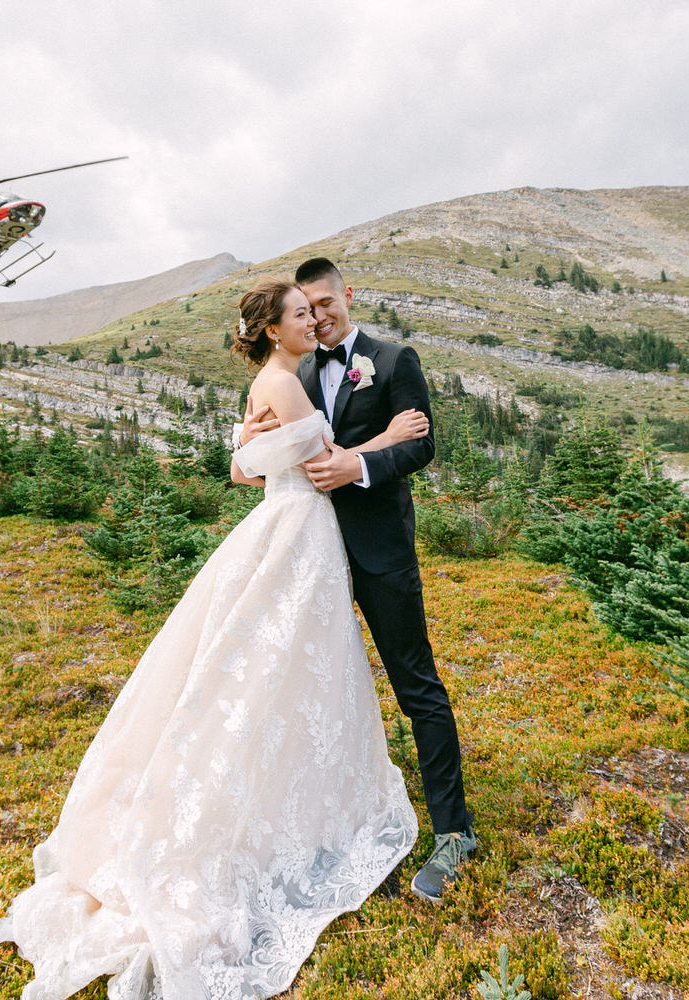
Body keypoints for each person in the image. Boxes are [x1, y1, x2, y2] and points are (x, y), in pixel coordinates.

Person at [0, 279, 431, 1000]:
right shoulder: (285, 387)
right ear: (272, 330)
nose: (310, 323)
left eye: (312, 313)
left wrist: (260, 445)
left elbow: (244, 466)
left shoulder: (271, 385)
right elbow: (323, 470)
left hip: (287, 529)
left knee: (281, 671)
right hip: (299, 532)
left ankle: (296, 796)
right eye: (298, 316)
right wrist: (390, 436)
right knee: (283, 671)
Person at [238, 257, 475, 903]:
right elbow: (261, 461)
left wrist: (364, 466)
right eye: (304, 310)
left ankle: (453, 831)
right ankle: (316, 827)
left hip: (378, 551)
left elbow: (421, 444)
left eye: (323, 303)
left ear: (346, 294)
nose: (317, 317)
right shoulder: (293, 368)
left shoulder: (394, 361)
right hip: (308, 553)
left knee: (414, 681)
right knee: (304, 688)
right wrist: (249, 440)